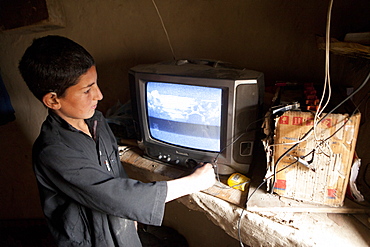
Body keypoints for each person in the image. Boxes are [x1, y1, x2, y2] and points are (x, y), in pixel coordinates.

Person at [18, 35, 216, 247]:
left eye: (96, 84)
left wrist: (131, 218)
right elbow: (117, 196)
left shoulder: (96, 121)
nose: (99, 95)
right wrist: (194, 182)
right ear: (53, 100)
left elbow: (115, 173)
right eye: (87, 90)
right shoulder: (54, 151)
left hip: (119, 227)